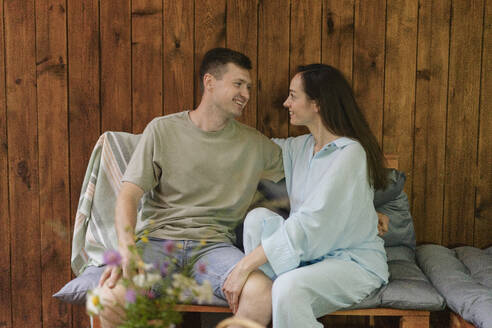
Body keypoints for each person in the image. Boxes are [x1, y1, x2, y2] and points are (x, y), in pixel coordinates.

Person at [96, 48, 284, 328]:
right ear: (210, 82)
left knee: (262, 292)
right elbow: (128, 195)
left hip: (214, 248)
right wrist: (126, 248)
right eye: (238, 84)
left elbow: (312, 174)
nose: (246, 93)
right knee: (110, 298)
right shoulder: (162, 130)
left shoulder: (256, 146)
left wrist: (372, 208)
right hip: (158, 243)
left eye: (248, 87)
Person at [222, 64, 390, 328]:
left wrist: (244, 267)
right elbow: (252, 147)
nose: (286, 102)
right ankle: (268, 298)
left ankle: (275, 295)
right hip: (311, 257)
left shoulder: (350, 153)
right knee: (257, 218)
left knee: (289, 289)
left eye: (293, 95)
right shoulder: (299, 148)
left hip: (352, 262)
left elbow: (312, 221)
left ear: (317, 104)